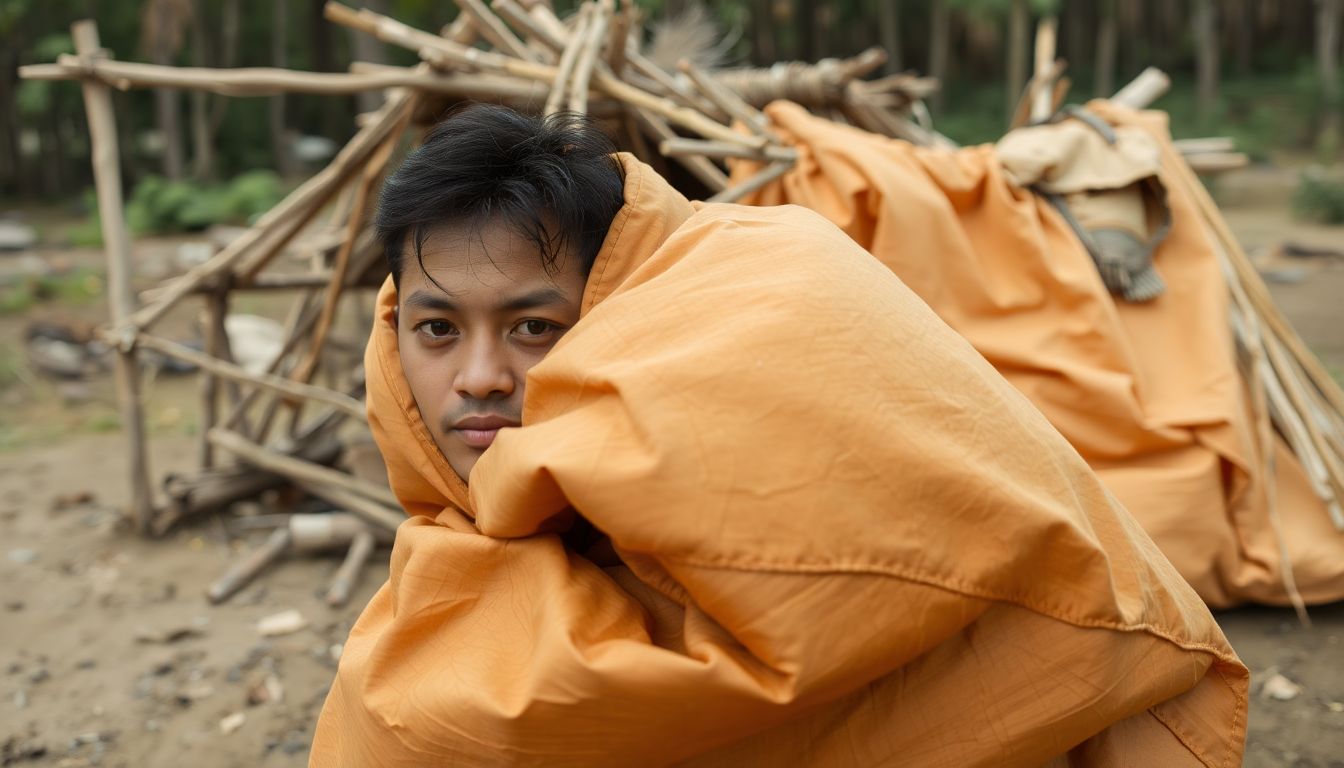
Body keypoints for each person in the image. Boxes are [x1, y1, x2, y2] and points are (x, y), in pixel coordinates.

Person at [310, 104, 1247, 767]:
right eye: (438, 330)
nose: (478, 376)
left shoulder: (732, 419)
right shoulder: (445, 565)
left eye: (532, 327)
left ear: (612, 310)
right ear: (393, 336)